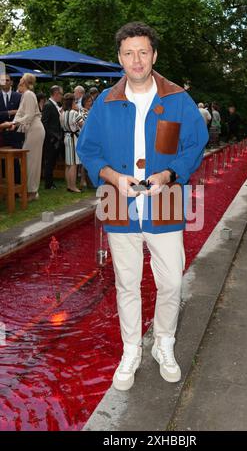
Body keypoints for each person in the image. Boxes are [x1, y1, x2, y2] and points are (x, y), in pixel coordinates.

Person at [77, 22, 208, 391]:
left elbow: (194, 146)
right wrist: (111, 177)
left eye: (143, 52)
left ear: (154, 56)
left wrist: (170, 174)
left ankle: (164, 343)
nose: (136, 59)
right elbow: (88, 151)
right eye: (128, 52)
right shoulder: (104, 102)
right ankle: (131, 348)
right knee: (127, 283)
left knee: (169, 282)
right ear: (119, 58)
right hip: (117, 201)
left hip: (164, 200)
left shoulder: (178, 99)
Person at [11, 73, 45, 201]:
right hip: (31, 131)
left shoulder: (29, 95)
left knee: (32, 162)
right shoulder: (25, 95)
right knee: (27, 160)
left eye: (21, 79)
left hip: (35, 130)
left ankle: (32, 192)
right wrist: (14, 123)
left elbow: (29, 115)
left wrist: (14, 123)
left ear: (24, 82)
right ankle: (29, 190)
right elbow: (21, 114)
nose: (18, 81)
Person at [0, 74, 24, 182]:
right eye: (2, 80)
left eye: (7, 80)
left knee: (16, 161)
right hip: (1, 134)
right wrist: (9, 112)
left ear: (11, 82)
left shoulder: (18, 96)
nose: (4, 82)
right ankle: (6, 186)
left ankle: (17, 185)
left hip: (15, 133)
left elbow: (21, 113)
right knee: (3, 163)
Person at [60, 93, 83, 193]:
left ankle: (69, 185)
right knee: (73, 164)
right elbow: (83, 124)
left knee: (68, 164)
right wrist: (81, 112)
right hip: (74, 138)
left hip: (66, 137)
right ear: (72, 102)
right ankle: (73, 186)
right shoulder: (74, 113)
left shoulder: (63, 113)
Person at [42, 85, 64, 190]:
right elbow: (44, 123)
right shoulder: (48, 105)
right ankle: (48, 184)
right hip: (51, 140)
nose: (62, 96)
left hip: (56, 139)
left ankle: (50, 182)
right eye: (61, 94)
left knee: (52, 162)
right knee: (49, 162)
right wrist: (53, 137)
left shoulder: (54, 105)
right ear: (56, 93)